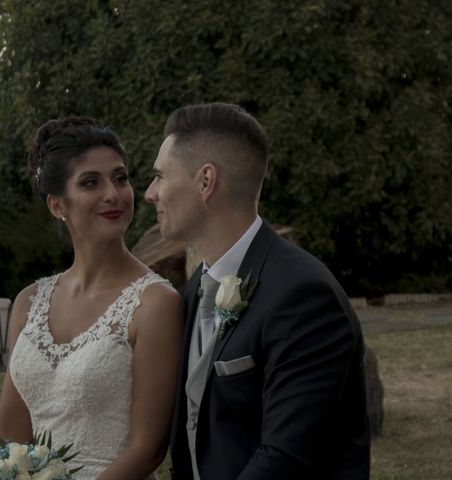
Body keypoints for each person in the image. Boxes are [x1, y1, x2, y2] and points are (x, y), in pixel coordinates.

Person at [145, 103, 370, 480]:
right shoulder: (196, 287)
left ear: (205, 182)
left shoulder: (304, 297)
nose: (151, 193)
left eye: (160, 176)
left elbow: (286, 460)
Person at [0, 117, 183, 480]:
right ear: (57, 205)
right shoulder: (28, 303)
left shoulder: (155, 304)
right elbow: (9, 434)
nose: (113, 194)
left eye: (120, 178)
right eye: (91, 182)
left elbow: (149, 449)